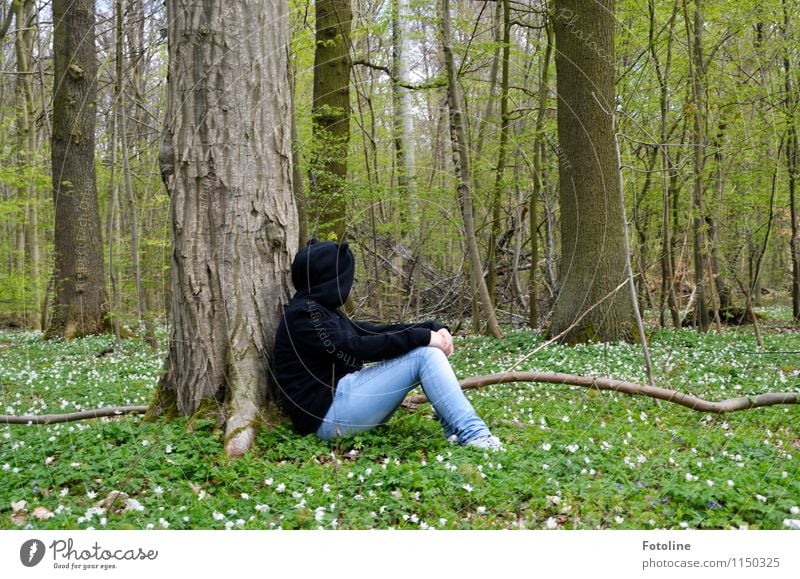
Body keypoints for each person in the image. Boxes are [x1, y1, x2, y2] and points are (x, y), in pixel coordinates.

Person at [273, 239, 502, 450]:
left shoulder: (320, 312)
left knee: (425, 351)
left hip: (338, 406)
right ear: (331, 280)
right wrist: (423, 338)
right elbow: (355, 346)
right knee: (425, 355)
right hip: (328, 417)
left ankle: (458, 431)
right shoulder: (304, 315)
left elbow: (372, 331)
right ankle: (475, 435)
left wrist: (431, 327)